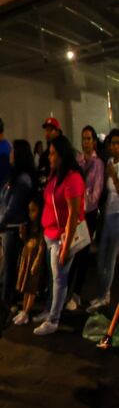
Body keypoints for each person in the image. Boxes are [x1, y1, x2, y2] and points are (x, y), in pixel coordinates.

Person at [33, 135, 85, 335]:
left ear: (62, 155)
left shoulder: (72, 179)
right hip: (51, 235)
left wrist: (66, 246)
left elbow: (74, 215)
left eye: (53, 153)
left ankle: (53, 320)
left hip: (61, 237)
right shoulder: (56, 176)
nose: (50, 157)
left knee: (59, 280)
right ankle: (51, 312)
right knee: (54, 279)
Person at [0, 140, 35, 304]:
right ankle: (5, 299)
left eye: (12, 151)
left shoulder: (22, 179)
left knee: (9, 267)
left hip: (12, 228)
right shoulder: (15, 176)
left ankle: (6, 301)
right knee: (6, 266)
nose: (10, 154)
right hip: (7, 226)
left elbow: (13, 207)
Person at [68, 125, 104, 311]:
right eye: (84, 138)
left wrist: (82, 199)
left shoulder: (98, 164)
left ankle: (76, 293)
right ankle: (68, 292)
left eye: (89, 138)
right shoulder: (78, 161)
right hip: (75, 213)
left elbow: (96, 194)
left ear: (94, 141)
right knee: (72, 253)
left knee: (82, 255)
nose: (86, 142)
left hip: (88, 214)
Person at [89, 128, 119, 312]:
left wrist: (114, 175)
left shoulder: (114, 167)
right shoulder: (108, 162)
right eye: (112, 143)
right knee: (101, 256)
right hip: (107, 214)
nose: (114, 147)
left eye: (117, 143)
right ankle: (102, 293)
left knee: (110, 258)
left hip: (118, 215)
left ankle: (105, 295)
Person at [12, 198, 46, 326]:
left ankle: (27, 311)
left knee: (31, 287)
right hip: (27, 256)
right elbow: (26, 241)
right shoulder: (30, 225)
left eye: (33, 210)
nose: (31, 214)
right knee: (25, 285)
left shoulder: (41, 228)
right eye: (29, 211)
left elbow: (41, 246)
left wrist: (37, 260)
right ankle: (24, 309)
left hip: (34, 258)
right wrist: (22, 234)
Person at [36, 117, 62, 194]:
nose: (47, 133)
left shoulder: (63, 152)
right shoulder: (44, 156)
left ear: (57, 132)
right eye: (46, 130)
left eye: (50, 130)